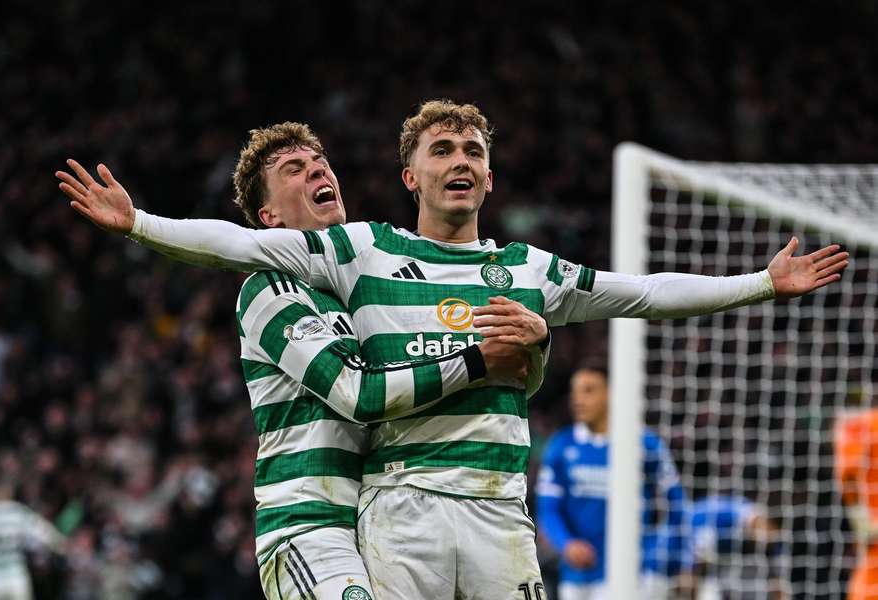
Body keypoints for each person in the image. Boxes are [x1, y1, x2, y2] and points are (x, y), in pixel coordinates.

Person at [57, 99, 848, 599]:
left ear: (491, 178)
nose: (460, 160)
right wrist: (141, 224)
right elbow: (235, 245)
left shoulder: (527, 271)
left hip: (498, 508)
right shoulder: (360, 253)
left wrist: (759, 283)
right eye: (442, 150)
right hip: (396, 506)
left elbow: (640, 292)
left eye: (473, 151)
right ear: (410, 176)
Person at [534, 364, 686, 599]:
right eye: (575, 392)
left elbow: (677, 503)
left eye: (589, 390)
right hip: (576, 577)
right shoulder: (561, 446)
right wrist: (567, 544)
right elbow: (548, 509)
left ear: (611, 394)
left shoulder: (645, 444)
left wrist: (667, 555)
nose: (577, 400)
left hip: (632, 575)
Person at [669, 495, 788, 600]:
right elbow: (696, 554)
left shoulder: (775, 543)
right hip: (701, 558)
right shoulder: (727, 515)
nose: (762, 537)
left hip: (725, 566)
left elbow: (780, 584)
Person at [0, 484, 67, 600]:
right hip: (16, 575)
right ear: (8, 493)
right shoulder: (17, 512)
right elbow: (43, 532)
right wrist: (63, 545)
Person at [835, 409, 878, 600]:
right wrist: (865, 527)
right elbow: (849, 478)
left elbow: (848, 479)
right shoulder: (864, 424)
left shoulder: (861, 423)